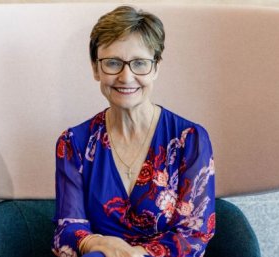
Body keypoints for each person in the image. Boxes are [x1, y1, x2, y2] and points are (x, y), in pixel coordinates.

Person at [52, 5, 215, 257]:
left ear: (156, 68)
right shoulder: (73, 143)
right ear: (96, 68)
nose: (126, 77)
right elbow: (67, 230)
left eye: (139, 63)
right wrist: (100, 245)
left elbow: (194, 234)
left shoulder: (190, 139)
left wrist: (135, 254)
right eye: (113, 63)